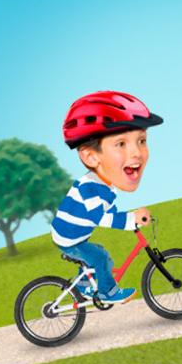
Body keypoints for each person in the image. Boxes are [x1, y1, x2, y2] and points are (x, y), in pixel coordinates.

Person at [50, 90, 162, 303]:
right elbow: (99, 217)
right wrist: (131, 220)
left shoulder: (105, 186)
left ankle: (84, 287)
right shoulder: (89, 187)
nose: (136, 153)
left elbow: (108, 210)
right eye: (121, 144)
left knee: (101, 255)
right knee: (100, 258)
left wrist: (129, 220)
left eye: (141, 140)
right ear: (91, 156)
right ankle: (107, 293)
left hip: (76, 234)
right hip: (68, 238)